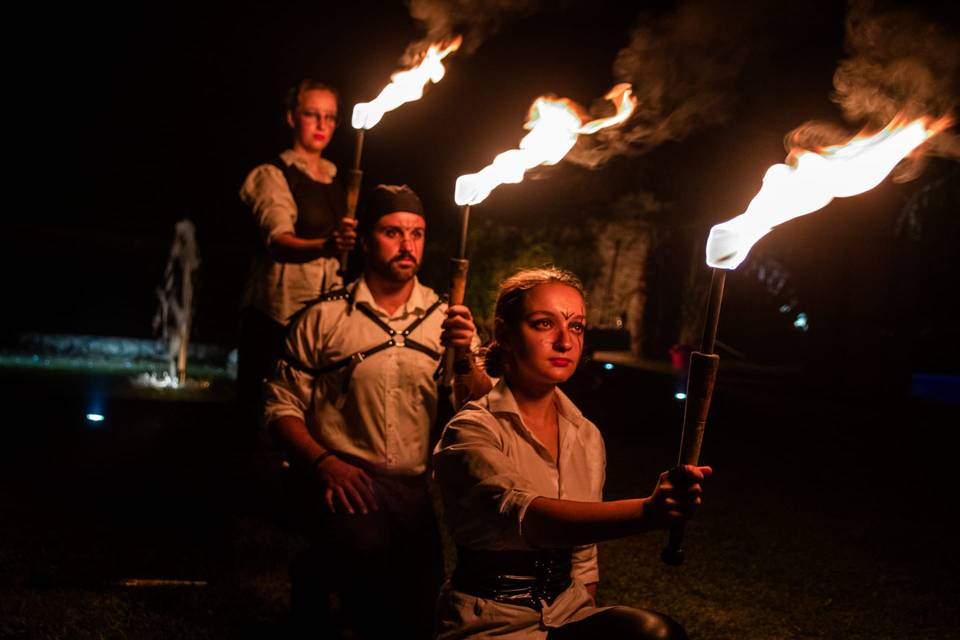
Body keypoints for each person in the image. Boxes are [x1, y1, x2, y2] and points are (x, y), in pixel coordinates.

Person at [264, 184, 492, 639]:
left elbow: (480, 407)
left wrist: (465, 354)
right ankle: (320, 580)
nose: (408, 244)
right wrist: (325, 463)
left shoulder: (446, 320)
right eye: (393, 232)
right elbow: (279, 408)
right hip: (345, 482)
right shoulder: (324, 319)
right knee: (363, 586)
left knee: (422, 613)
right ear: (366, 239)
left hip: (411, 491)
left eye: (417, 233)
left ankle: (318, 573)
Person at [433, 267, 712, 639]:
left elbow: (582, 558)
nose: (565, 341)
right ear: (504, 333)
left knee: (656, 633)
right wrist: (648, 511)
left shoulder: (586, 435)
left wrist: (582, 616)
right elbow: (531, 518)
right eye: (544, 324)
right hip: (493, 622)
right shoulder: (470, 431)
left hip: (568, 613)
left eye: (576, 326)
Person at [237, 79, 358, 436]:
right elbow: (278, 240)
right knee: (267, 415)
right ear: (292, 118)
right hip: (276, 316)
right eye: (312, 115)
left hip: (324, 317)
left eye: (330, 117)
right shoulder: (272, 174)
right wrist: (327, 245)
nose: (323, 125)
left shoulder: (340, 180)